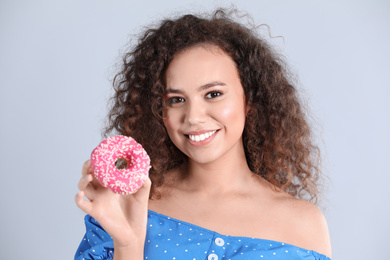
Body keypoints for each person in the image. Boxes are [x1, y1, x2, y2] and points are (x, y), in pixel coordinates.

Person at [75, 8, 332, 260]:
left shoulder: (304, 225)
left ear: (250, 100)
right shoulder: (127, 206)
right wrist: (128, 245)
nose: (194, 117)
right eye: (176, 99)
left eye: (213, 94)